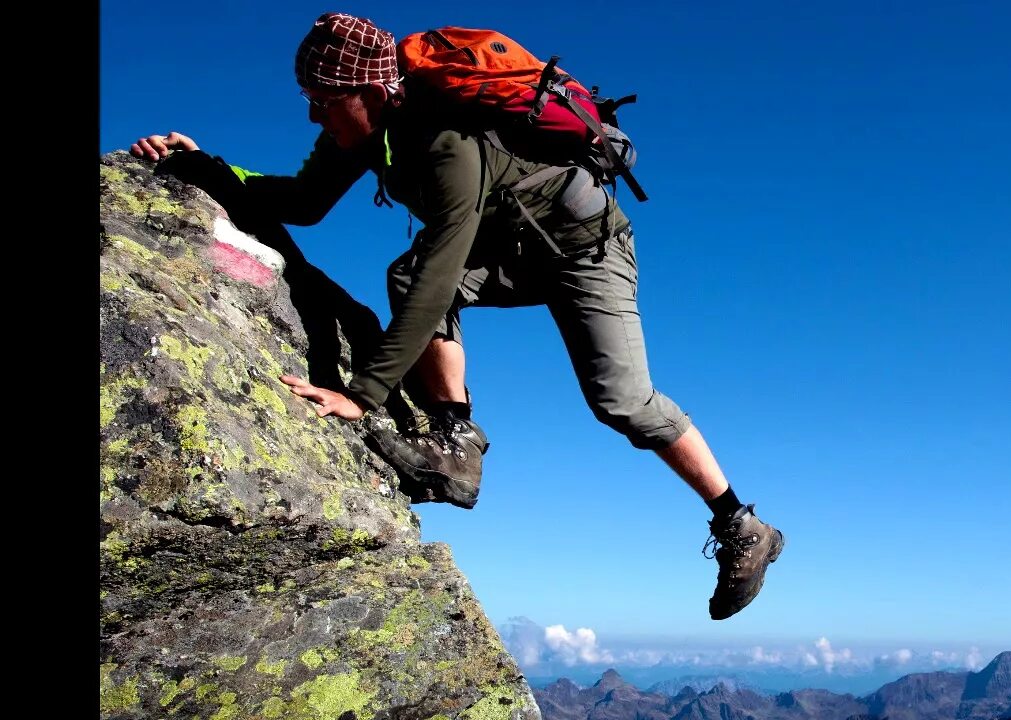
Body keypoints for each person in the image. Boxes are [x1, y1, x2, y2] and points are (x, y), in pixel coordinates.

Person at [129, 11, 783, 620]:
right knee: (407, 273)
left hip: (586, 250)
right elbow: (302, 201)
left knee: (622, 400)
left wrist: (364, 394)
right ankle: (454, 442)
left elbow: (444, 267)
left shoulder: (447, 141)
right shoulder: (358, 133)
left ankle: (741, 524)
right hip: (510, 246)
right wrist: (203, 167)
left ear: (372, 90)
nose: (312, 115)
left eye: (323, 101)